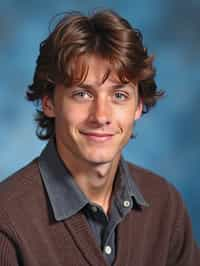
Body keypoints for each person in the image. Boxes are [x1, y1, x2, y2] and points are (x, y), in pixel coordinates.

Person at [0, 9, 199, 266]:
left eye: (119, 95)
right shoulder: (7, 219)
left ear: (138, 106)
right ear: (48, 102)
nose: (101, 116)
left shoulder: (165, 204)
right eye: (82, 94)